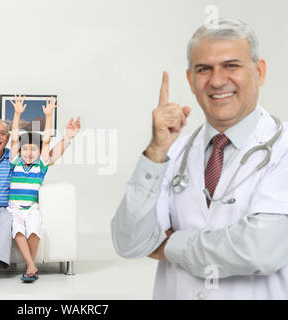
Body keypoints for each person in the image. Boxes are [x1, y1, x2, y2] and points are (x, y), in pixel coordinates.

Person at [111, 18, 288, 300]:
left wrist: (168, 245)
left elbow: (260, 249)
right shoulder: (172, 153)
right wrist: (156, 153)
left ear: (260, 71)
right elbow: (128, 241)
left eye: (231, 65)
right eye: (204, 69)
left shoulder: (282, 148)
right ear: (191, 80)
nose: (217, 81)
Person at [0, 95, 81, 283]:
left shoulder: (27, 162)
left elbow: (46, 149)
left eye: (2, 133)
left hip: (17, 208)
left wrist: (66, 137)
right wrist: (17, 114)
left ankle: (8, 265)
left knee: (20, 224)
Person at [8, 95, 77, 282]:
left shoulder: (41, 166)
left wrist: (49, 115)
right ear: (19, 151)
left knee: (34, 229)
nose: (29, 153)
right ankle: (31, 265)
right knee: (18, 230)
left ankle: (30, 265)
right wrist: (17, 113)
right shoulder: (14, 163)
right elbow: (14, 139)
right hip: (14, 208)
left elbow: (46, 141)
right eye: (25, 149)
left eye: (33, 150)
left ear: (39, 153)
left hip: (32, 209)